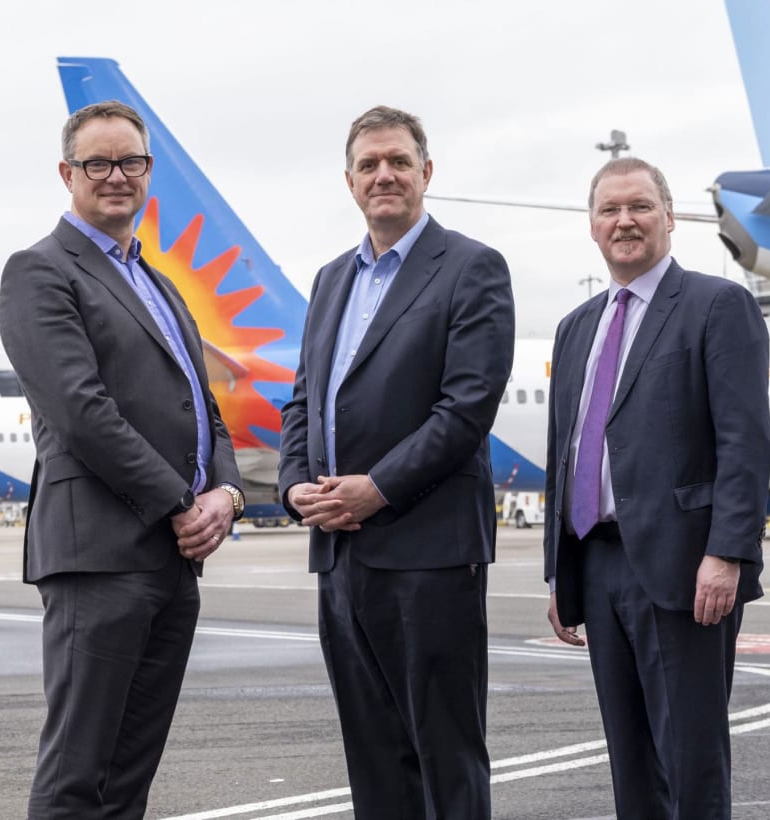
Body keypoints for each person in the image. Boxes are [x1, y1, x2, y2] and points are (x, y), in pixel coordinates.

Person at [0, 100, 246, 819]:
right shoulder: (40, 272)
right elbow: (82, 411)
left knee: (128, 780)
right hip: (100, 557)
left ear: (148, 172)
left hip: (169, 560)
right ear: (67, 173)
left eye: (130, 162)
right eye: (98, 163)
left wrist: (224, 496)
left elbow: (205, 408)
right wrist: (179, 503)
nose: (116, 176)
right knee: (78, 778)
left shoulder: (159, 283)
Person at [278, 105, 514, 819]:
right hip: (341, 556)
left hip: (428, 554)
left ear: (426, 173)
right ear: (349, 182)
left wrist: (376, 490)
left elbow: (466, 409)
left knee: (445, 753)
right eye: (369, 164)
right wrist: (293, 489)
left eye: (399, 162)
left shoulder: (472, 268)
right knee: (373, 757)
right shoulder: (330, 281)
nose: (385, 175)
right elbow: (302, 402)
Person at [543, 157, 770, 819]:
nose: (625, 221)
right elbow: (568, 454)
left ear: (669, 217)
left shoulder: (717, 306)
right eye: (610, 210)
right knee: (631, 763)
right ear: (591, 226)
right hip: (600, 561)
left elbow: (745, 441)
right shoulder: (576, 326)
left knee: (690, 760)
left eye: (640, 206)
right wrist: (562, 575)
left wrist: (728, 552)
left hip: (685, 568)